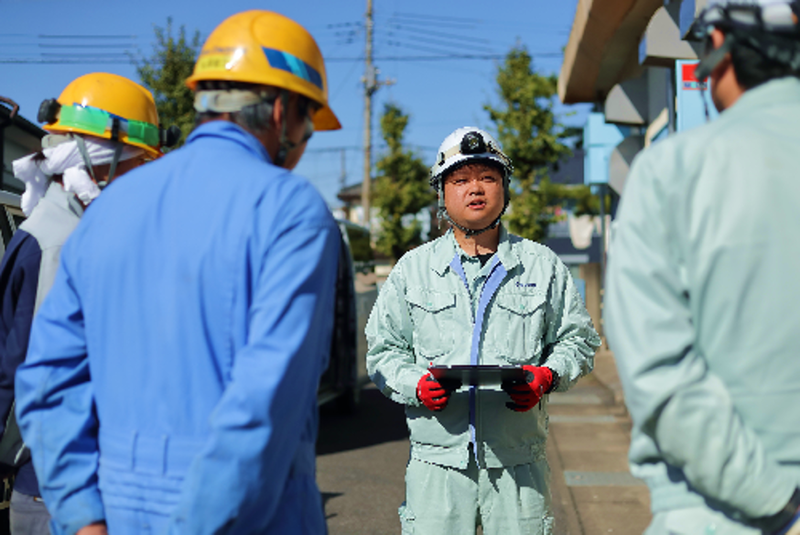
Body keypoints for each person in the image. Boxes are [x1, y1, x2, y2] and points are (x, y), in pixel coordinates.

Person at [14, 10, 341, 535]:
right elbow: (265, 406)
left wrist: (82, 518)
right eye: (309, 124)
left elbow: (49, 382)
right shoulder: (289, 209)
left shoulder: (108, 210)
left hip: (110, 514)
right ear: (284, 111)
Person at [604, 1, 800, 533]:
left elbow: (659, 373)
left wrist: (778, 501)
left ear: (718, 50)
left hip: (725, 509)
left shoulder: (673, 169)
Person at [366, 127, 600, 534]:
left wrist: (547, 376)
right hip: (436, 464)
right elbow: (383, 351)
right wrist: (416, 385)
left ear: (504, 190)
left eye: (488, 178)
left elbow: (578, 340)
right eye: (460, 180)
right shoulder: (412, 269)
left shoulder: (540, 265)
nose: (475, 189)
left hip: (518, 464)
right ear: (442, 194)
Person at [0, 72, 172, 535]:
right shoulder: (61, 245)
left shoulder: (61, 230)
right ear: (101, 162)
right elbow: (51, 387)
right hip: (62, 499)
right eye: (140, 164)